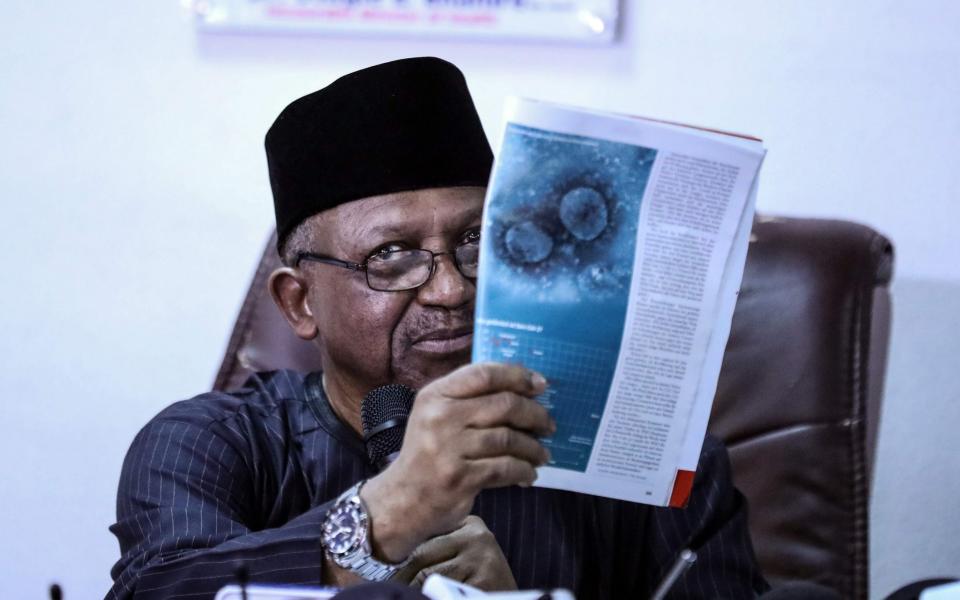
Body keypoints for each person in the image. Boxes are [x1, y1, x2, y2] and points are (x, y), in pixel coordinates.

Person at [107, 57, 769, 599]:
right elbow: (152, 590)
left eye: (479, 240)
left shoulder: (640, 460)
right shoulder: (207, 444)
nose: (451, 288)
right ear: (299, 303)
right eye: (390, 257)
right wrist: (385, 518)